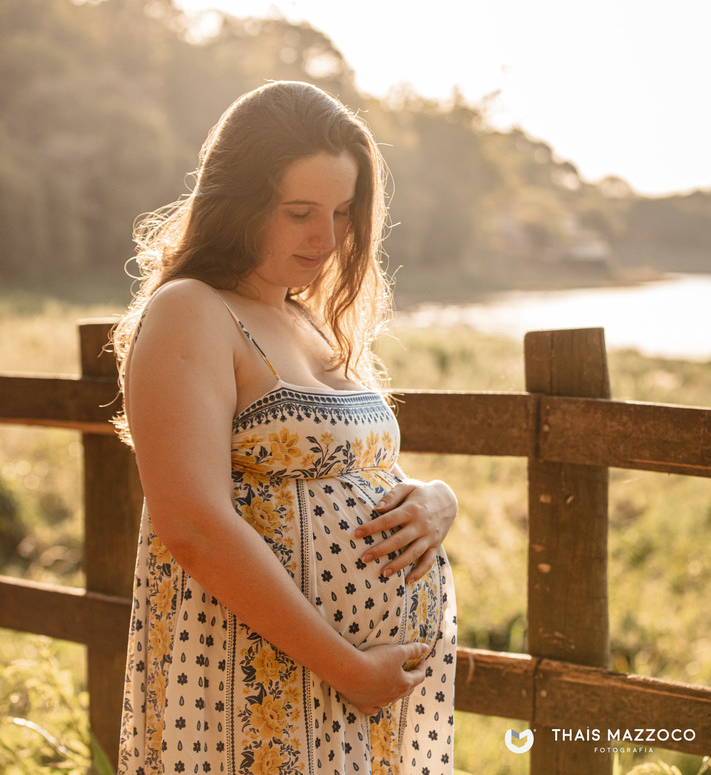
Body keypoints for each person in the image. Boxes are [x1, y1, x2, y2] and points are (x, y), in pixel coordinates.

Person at [111, 80, 458, 774]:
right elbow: (193, 526)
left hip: (352, 701)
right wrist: (349, 669)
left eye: (342, 212)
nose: (326, 237)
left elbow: (355, 473)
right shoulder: (192, 310)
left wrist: (437, 499)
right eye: (300, 212)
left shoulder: (305, 318)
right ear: (238, 202)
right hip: (255, 687)